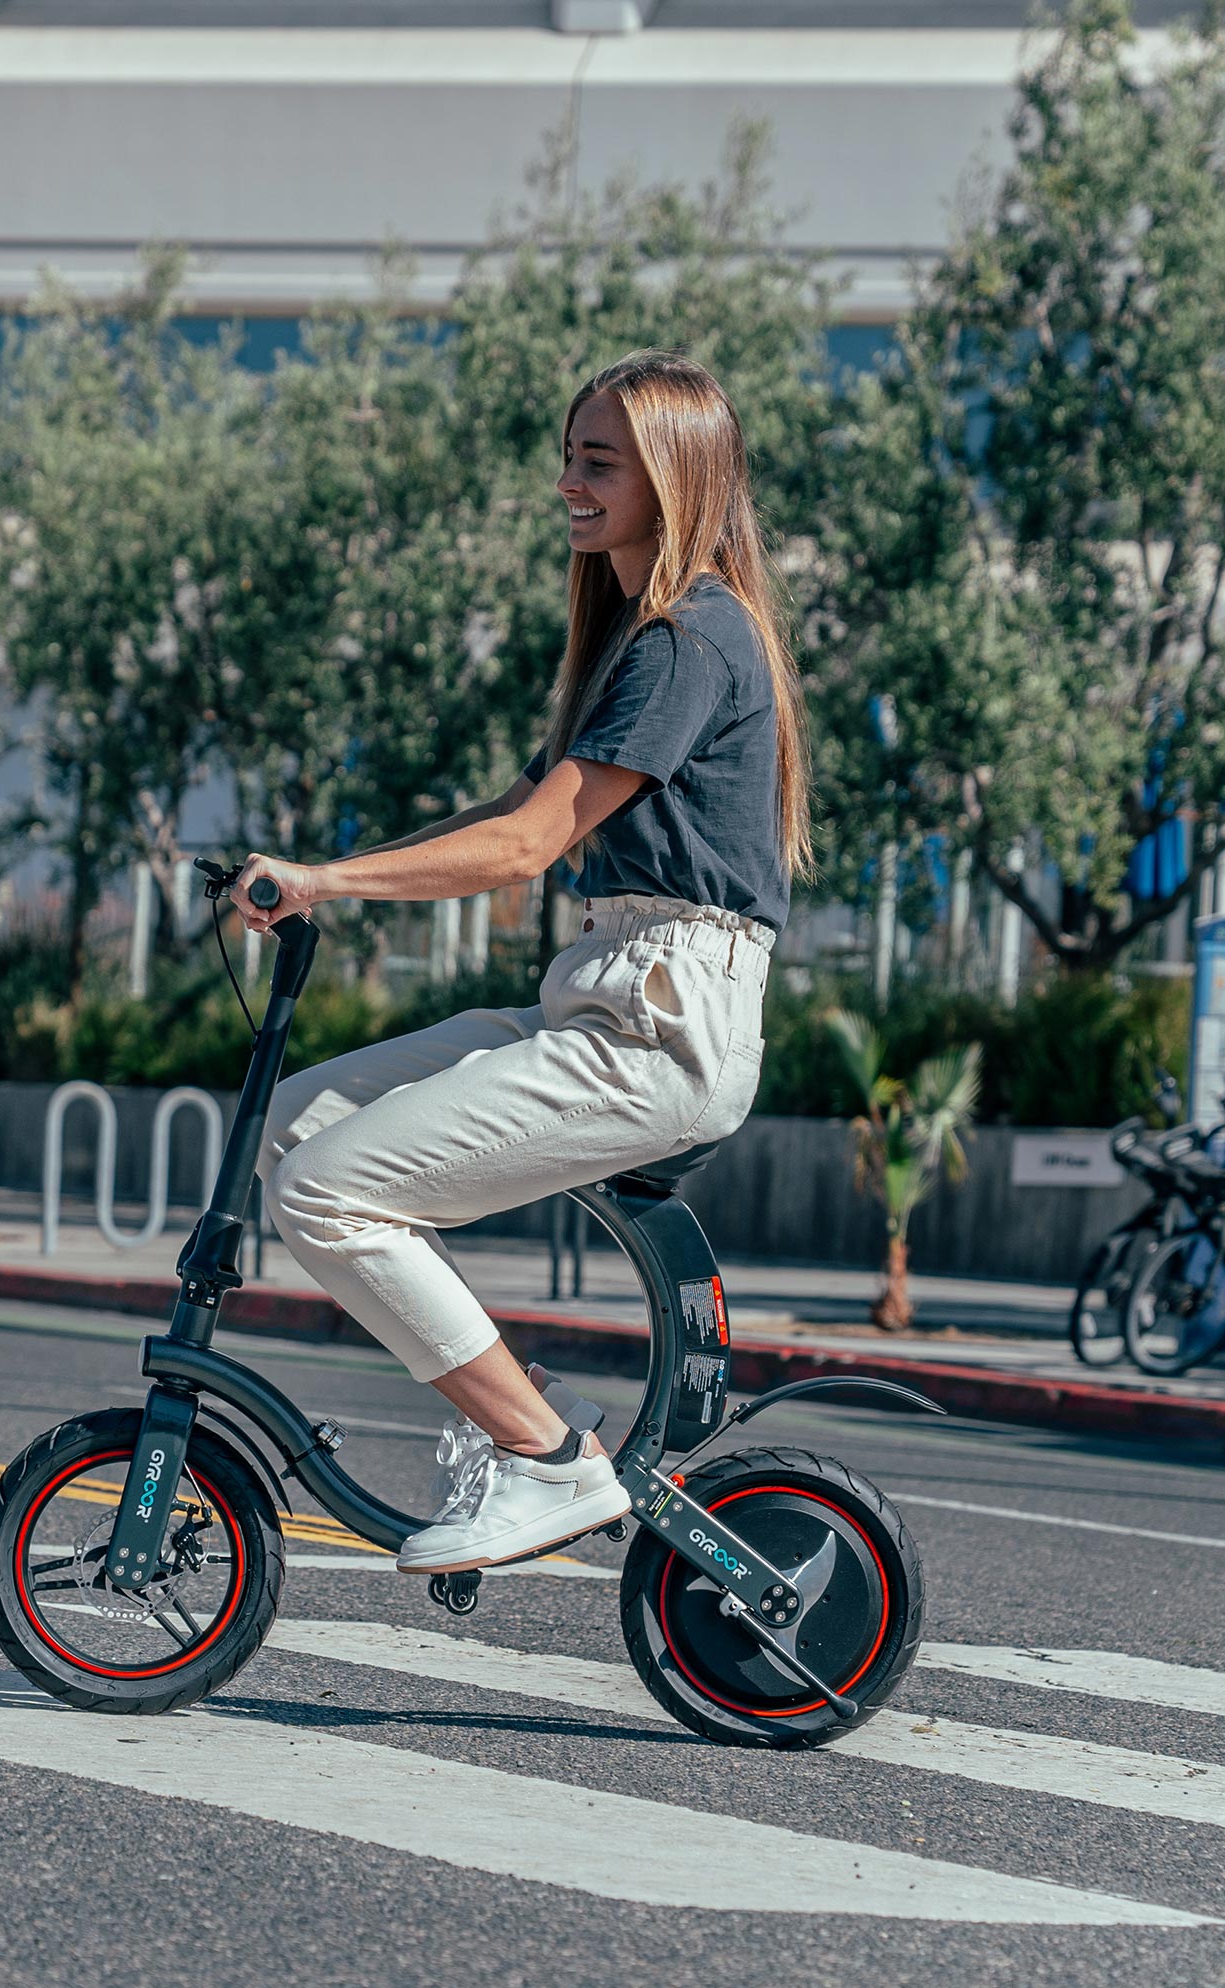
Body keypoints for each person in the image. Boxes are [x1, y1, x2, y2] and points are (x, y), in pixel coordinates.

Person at [231, 350, 810, 1574]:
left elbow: (528, 846)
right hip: (606, 994)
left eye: (598, 463)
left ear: (673, 477)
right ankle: (531, 1418)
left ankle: (546, 1457)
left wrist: (328, 883)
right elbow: (511, 808)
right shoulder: (640, 638)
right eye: (569, 457)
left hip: (662, 1026)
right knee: (295, 1129)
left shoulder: (689, 637)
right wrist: (317, 870)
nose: (568, 484)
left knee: (331, 1190)